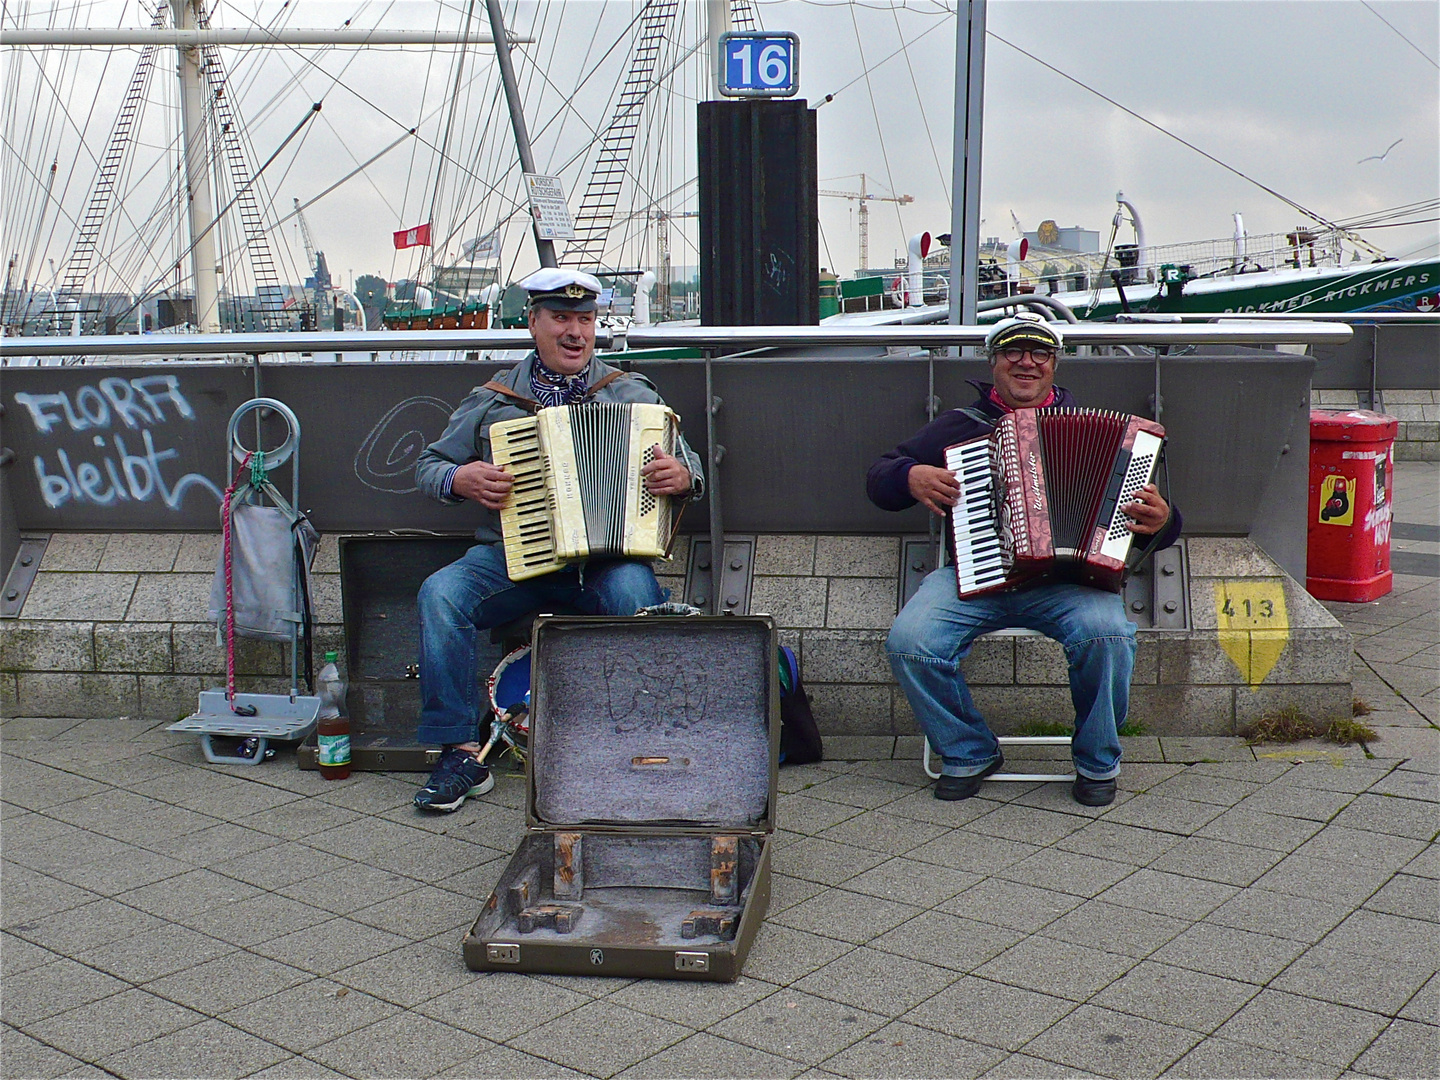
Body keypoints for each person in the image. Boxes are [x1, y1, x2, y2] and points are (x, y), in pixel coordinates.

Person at [410, 268, 704, 812]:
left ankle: (645, 744)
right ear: (533, 323)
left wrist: (682, 477)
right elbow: (430, 465)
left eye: (585, 319)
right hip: (514, 559)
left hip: (606, 561)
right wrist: (460, 478)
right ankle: (459, 752)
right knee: (440, 595)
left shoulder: (629, 392)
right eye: (561, 318)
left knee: (635, 597)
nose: (576, 332)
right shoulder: (493, 398)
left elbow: (690, 466)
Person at [867, 313, 1181, 806]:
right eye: (1013, 351)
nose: (1027, 362)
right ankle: (968, 751)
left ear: (1054, 365)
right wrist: (909, 476)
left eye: (1040, 353)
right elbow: (878, 479)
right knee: (911, 641)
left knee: (1109, 635)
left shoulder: (1116, 437)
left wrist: (1163, 521)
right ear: (993, 362)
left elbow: (1155, 528)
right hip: (974, 575)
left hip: (1068, 582)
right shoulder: (957, 426)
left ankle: (1097, 760)